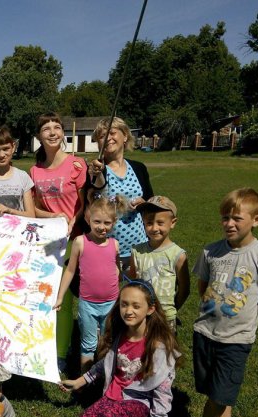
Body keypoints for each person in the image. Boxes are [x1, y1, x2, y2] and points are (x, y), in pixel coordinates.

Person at [174, 188, 258, 417]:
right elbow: (204, 287)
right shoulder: (211, 251)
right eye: (225, 217)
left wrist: (242, 307)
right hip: (205, 332)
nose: (229, 224)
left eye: (237, 218)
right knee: (214, 389)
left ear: (256, 220)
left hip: (236, 338)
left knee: (222, 391)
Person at [60, 281, 180, 417]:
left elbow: (163, 394)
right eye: (124, 304)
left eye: (136, 306)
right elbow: (106, 365)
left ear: (150, 309)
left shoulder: (158, 348)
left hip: (140, 403)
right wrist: (80, 381)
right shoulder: (120, 335)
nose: (128, 310)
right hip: (112, 397)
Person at [30, 113, 88, 371]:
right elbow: (33, 209)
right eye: (46, 128)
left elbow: (87, 202)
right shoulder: (34, 170)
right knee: (59, 298)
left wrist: (74, 221)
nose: (52, 132)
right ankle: (60, 353)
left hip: (79, 238)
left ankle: (90, 348)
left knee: (87, 297)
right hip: (52, 242)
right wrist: (53, 217)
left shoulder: (77, 164)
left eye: (57, 127)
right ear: (39, 136)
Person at [54, 196, 126, 372]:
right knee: (88, 344)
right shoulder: (80, 242)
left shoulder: (114, 244)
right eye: (97, 222)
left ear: (114, 222)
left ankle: (105, 379)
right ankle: (84, 382)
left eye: (107, 223)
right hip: (88, 305)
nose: (102, 227)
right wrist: (60, 296)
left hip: (110, 303)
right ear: (88, 219)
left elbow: (117, 270)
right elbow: (70, 271)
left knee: (107, 342)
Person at [87, 117, 154, 270]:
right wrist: (96, 173)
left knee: (136, 293)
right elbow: (96, 189)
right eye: (102, 136)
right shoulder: (97, 169)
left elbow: (151, 200)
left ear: (125, 136)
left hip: (139, 248)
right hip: (105, 249)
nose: (107, 139)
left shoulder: (139, 168)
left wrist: (144, 203)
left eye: (112, 133)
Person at [129, 195, 190, 332]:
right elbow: (133, 282)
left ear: (172, 222)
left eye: (160, 223)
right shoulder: (137, 251)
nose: (154, 228)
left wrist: (171, 310)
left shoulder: (178, 255)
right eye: (149, 223)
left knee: (164, 351)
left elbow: (184, 289)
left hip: (165, 318)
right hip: (141, 316)